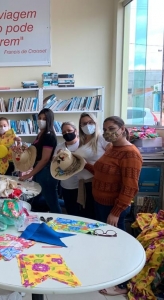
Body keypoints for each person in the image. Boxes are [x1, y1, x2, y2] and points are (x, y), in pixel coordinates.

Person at [83, 116, 142, 296]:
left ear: (123, 128)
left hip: (113, 208)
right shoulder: (111, 148)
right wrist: (83, 165)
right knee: (105, 243)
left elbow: (130, 187)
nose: (108, 132)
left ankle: (122, 284)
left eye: (112, 128)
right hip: (100, 203)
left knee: (118, 246)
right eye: (105, 128)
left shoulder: (130, 153)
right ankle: (108, 275)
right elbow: (100, 172)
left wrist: (116, 212)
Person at [19, 108, 61, 213]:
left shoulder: (49, 135)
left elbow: (45, 159)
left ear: (49, 120)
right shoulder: (40, 135)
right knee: (37, 199)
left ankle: (60, 222)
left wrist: (29, 175)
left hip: (46, 172)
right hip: (40, 171)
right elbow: (35, 153)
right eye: (39, 118)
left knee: (52, 202)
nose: (41, 121)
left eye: (44, 119)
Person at [75, 112, 111, 219]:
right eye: (84, 123)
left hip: (95, 182)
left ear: (96, 123)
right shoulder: (83, 140)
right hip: (84, 183)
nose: (87, 125)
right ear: (80, 127)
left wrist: (86, 165)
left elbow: (112, 157)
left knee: (95, 217)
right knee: (87, 215)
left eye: (90, 122)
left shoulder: (101, 138)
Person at [53, 122, 81, 216]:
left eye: (69, 130)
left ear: (76, 131)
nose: (67, 133)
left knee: (82, 212)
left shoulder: (82, 145)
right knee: (70, 210)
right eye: (64, 132)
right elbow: (54, 163)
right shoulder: (60, 147)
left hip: (80, 185)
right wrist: (58, 157)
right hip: (65, 184)